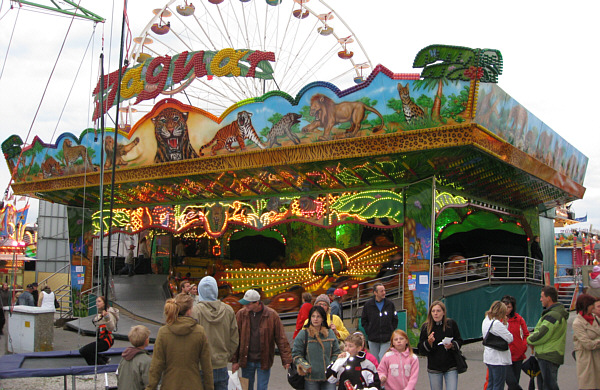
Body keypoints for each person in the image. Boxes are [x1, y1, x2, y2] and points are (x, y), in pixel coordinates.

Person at [146, 294, 213, 390]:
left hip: (169, 384)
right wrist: (209, 387)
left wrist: (150, 387)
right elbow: (207, 366)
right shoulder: (199, 331)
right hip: (193, 384)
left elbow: (156, 365)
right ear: (189, 311)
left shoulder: (163, 332)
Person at [232, 289, 292, 390]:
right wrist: (235, 360)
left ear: (257, 302)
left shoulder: (272, 315)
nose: (245, 306)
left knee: (262, 388)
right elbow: (235, 338)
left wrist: (286, 359)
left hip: (263, 359)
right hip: (246, 359)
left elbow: (281, 338)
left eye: (248, 304)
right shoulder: (241, 314)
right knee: (246, 388)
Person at [191, 276, 239, 390]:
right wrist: (227, 356)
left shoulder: (195, 311)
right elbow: (234, 338)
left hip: (201, 365)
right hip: (221, 364)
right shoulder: (228, 310)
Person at [527, 286, 568, 390]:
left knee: (549, 386)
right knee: (545, 385)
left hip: (548, 355)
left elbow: (542, 333)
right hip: (548, 354)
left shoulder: (553, 315)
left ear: (548, 298)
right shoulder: (555, 313)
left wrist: (529, 340)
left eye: (542, 297)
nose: (540, 299)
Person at [418, 300, 463, 390]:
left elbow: (459, 340)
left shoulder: (451, 324)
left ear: (443, 312)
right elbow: (420, 349)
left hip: (450, 365)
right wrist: (428, 342)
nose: (436, 313)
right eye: (433, 311)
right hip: (434, 367)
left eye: (438, 311)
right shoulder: (426, 327)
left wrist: (452, 345)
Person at [293, 306, 340, 390]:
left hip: (329, 377)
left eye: (318, 316)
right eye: (313, 316)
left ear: (323, 318)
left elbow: (336, 352)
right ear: (310, 318)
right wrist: (305, 366)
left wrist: (331, 366)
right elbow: (296, 354)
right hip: (311, 378)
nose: (315, 319)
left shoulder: (330, 333)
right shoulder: (303, 334)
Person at [361, 283, 398, 362]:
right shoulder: (368, 305)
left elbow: (395, 319)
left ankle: (382, 374)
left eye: (384, 290)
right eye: (381, 291)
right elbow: (364, 320)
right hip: (373, 338)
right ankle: (376, 374)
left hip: (386, 338)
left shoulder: (390, 304)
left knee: (382, 357)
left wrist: (391, 329)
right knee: (374, 360)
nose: (384, 292)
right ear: (375, 293)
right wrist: (369, 330)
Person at [482, 301, 513, 390]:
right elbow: (510, 338)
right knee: (498, 385)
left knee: (491, 383)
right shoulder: (496, 324)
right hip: (498, 359)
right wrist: (506, 324)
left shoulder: (486, 320)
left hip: (489, 357)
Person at [79, 296, 119, 365]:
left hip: (106, 340)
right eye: (96, 301)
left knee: (84, 351)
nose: (97, 303)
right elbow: (96, 321)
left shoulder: (109, 314)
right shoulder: (100, 314)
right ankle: (104, 359)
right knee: (87, 351)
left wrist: (107, 318)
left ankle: (101, 363)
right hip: (101, 339)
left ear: (104, 303)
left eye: (99, 301)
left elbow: (111, 327)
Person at [501, 295, 529, 390]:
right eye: (505, 306)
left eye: (509, 307)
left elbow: (526, 334)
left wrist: (523, 347)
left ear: (513, 308)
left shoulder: (519, 319)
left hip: (518, 355)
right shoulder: (498, 320)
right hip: (504, 356)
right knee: (511, 381)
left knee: (515, 382)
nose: (507, 309)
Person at [572, 294, 600, 390]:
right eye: (592, 304)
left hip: (597, 358)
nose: (594, 306)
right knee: (588, 386)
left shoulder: (596, 318)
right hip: (587, 361)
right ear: (586, 305)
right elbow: (588, 344)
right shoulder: (577, 323)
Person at [117, 325, 152, 390]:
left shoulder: (124, 358)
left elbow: (119, 378)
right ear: (146, 340)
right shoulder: (147, 361)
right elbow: (149, 384)